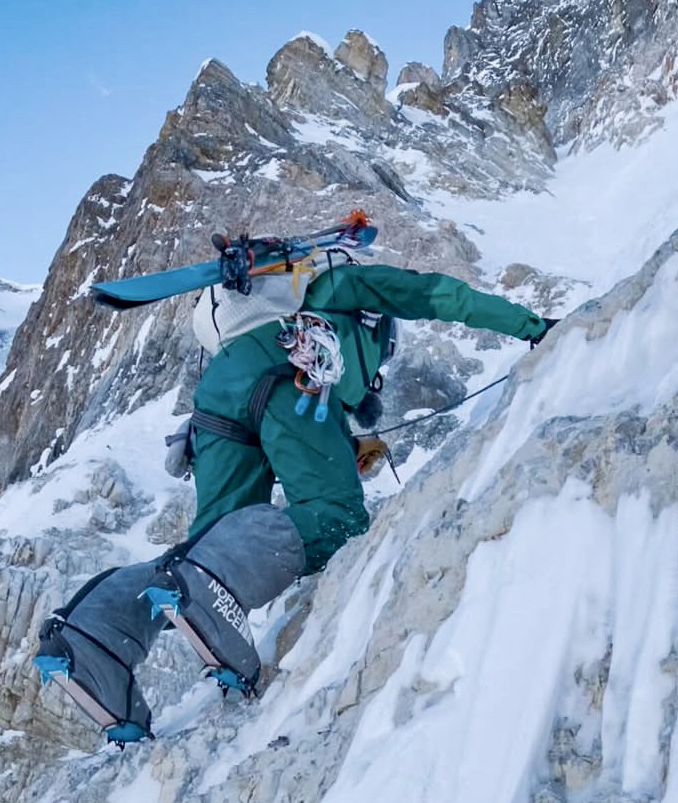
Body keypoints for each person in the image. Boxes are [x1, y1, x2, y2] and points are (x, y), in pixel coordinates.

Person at [35, 247, 557, 746]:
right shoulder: (339, 284)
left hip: (216, 399)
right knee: (339, 520)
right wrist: (534, 328)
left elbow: (276, 431)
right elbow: (436, 293)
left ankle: (93, 635)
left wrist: (341, 445)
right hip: (287, 367)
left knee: (203, 556)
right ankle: (164, 606)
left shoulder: (256, 314)